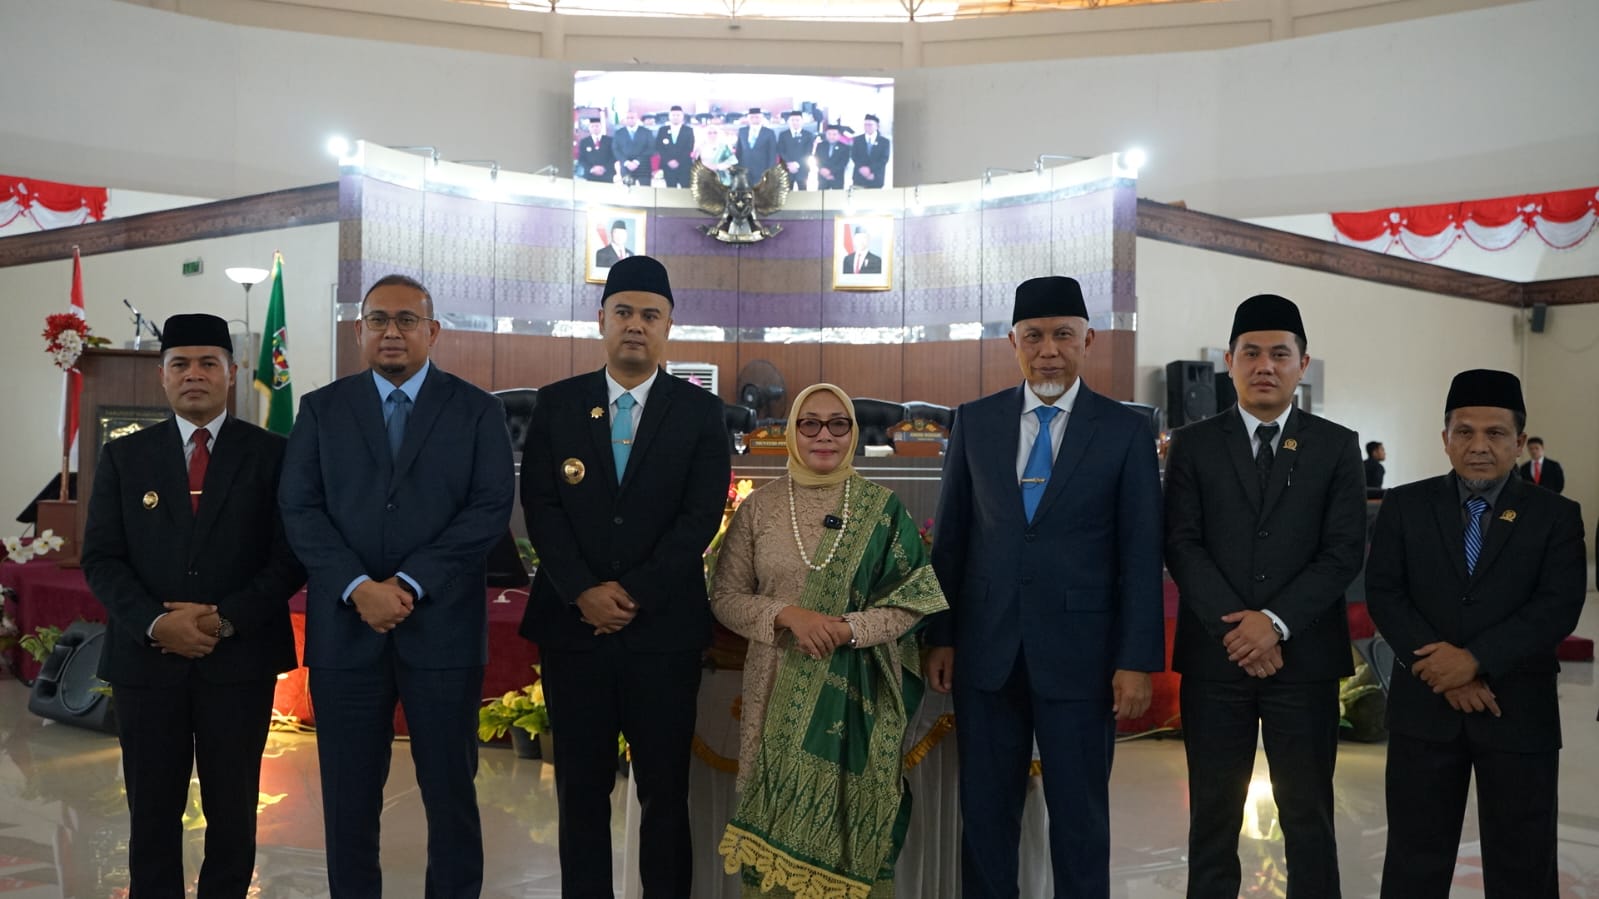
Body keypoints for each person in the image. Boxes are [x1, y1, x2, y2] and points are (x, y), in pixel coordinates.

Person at [924, 275, 1164, 897]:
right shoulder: (974, 423)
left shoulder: (1125, 431)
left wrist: (1136, 660)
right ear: (1013, 343)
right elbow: (952, 541)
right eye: (1034, 336)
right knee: (985, 817)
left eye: (1063, 334)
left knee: (1080, 822)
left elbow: (1141, 554)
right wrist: (942, 636)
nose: (1049, 349)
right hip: (987, 654)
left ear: (1089, 339)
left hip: (1083, 660)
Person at [279, 274, 515, 898]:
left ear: (432, 332)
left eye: (407, 320)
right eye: (379, 320)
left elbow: (489, 508)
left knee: (450, 792)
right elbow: (299, 508)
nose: (392, 331)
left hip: (442, 634)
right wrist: (359, 586)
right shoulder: (322, 409)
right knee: (349, 797)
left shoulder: (475, 409)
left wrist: (409, 583)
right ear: (359, 332)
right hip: (346, 632)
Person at [520, 255, 730, 899]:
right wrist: (582, 590)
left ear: (669, 325)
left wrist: (633, 592)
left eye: (650, 315)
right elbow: (541, 508)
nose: (635, 326)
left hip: (661, 634)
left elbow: (699, 518)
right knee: (581, 789)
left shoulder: (700, 415)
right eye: (623, 313)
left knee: (665, 791)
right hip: (572, 630)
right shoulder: (557, 405)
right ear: (601, 321)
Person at [81, 313, 304, 899]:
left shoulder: (274, 455)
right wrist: (158, 623)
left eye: (209, 363)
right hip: (146, 665)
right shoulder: (125, 459)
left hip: (240, 663)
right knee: (151, 813)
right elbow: (101, 559)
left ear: (231, 374)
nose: (194, 375)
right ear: (162, 376)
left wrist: (220, 620)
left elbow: (289, 559)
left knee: (233, 813)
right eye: (180, 364)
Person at [1163, 293, 1367, 899]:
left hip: (1302, 662)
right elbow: (1181, 543)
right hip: (1216, 660)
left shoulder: (1335, 445)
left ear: (1303, 363)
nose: (1265, 365)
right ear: (1229, 360)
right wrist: (1241, 630)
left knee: (1308, 816)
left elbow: (1342, 552)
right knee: (1212, 817)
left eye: (1280, 353)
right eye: (1251, 353)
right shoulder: (1194, 443)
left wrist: (1273, 623)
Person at [712, 384, 948, 898]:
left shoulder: (882, 511)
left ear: (854, 433)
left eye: (838, 424)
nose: (824, 435)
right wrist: (787, 615)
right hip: (774, 690)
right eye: (810, 423)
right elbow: (725, 597)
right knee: (774, 831)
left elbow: (914, 600)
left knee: (851, 834)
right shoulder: (760, 507)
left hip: (856, 701)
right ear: (792, 431)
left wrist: (847, 628)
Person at [1366, 370, 1585, 898]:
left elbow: (1557, 607)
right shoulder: (1405, 505)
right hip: (1425, 711)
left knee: (1524, 863)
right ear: (1445, 439)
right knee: (1414, 860)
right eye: (1464, 432)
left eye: (1495, 433)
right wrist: (1448, 674)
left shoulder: (1555, 516)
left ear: (1519, 440)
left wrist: (1475, 660)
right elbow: (1386, 596)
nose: (1479, 446)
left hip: (1517, 712)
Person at [736, 108, 778, 185]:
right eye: (752, 117)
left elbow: (772, 154)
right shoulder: (742, 131)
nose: (754, 119)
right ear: (748, 118)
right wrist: (737, 168)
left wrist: (770, 172)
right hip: (744, 169)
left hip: (762, 169)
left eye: (757, 117)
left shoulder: (769, 132)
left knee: (761, 194)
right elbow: (739, 151)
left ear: (761, 118)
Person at [774, 109, 815, 190]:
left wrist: (796, 164)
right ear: (789, 121)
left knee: (802, 191)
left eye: (797, 120)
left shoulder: (808, 135)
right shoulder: (783, 135)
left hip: (802, 168)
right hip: (787, 168)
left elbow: (808, 152)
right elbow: (781, 151)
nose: (795, 122)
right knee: (787, 192)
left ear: (802, 121)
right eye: (792, 120)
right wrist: (789, 164)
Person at [657, 105, 696, 188]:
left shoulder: (688, 130)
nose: (676, 117)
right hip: (668, 166)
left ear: (682, 116)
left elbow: (689, 147)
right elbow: (659, 147)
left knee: (685, 190)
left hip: (684, 166)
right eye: (673, 115)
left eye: (678, 115)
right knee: (670, 190)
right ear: (669, 116)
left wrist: (678, 161)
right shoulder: (662, 130)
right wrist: (668, 161)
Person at [612, 110, 653, 186]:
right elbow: (616, 149)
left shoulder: (646, 132)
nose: (630, 119)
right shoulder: (619, 133)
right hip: (626, 168)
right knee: (629, 192)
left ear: (637, 119)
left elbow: (651, 148)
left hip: (643, 168)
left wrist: (637, 161)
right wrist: (626, 162)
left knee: (646, 192)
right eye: (628, 118)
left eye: (632, 117)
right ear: (625, 119)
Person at [850, 114, 891, 188]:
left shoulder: (884, 142)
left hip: (875, 177)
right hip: (859, 177)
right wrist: (862, 169)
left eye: (870, 125)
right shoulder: (857, 140)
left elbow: (884, 159)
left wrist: (870, 170)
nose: (867, 127)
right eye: (865, 125)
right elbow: (854, 156)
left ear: (877, 126)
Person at [577, 117, 615, 183]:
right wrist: (591, 169)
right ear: (589, 128)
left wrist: (604, 168)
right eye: (592, 126)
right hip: (590, 175)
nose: (595, 128)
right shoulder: (584, 142)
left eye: (597, 126)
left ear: (601, 127)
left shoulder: (610, 140)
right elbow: (581, 159)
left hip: (607, 174)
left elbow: (614, 157)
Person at [815, 123, 851, 190]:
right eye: (829, 134)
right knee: (822, 197)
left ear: (839, 135)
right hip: (822, 177)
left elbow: (843, 163)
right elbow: (817, 159)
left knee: (837, 198)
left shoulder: (845, 147)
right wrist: (822, 169)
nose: (831, 136)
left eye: (834, 134)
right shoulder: (820, 145)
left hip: (836, 177)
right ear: (826, 134)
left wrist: (830, 172)